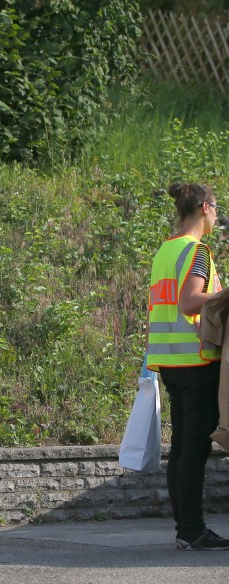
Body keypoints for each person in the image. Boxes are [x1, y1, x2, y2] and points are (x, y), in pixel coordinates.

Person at [146, 181, 229, 551]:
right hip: (196, 361)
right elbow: (191, 302)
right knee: (194, 449)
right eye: (216, 210)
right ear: (206, 208)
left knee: (181, 447)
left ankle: (185, 529)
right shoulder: (197, 252)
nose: (217, 218)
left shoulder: (165, 250)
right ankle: (193, 531)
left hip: (168, 360)